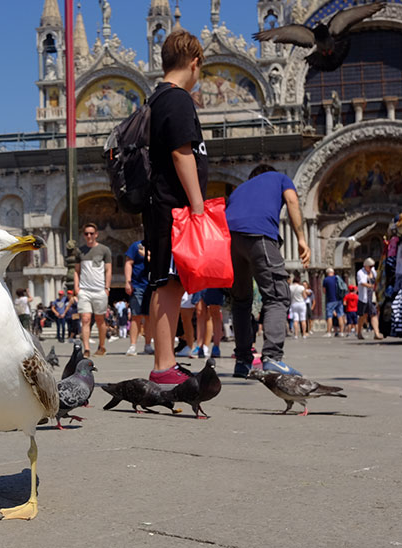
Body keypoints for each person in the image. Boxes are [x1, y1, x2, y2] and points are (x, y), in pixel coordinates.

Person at [143, 29, 208, 385]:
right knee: (169, 285)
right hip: (175, 209)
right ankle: (164, 366)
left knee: (163, 284)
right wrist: (197, 206)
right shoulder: (178, 99)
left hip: (160, 207)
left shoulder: (155, 98)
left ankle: (163, 363)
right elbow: (182, 153)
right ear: (195, 63)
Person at [226, 164, 310, 378]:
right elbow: (292, 201)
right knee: (277, 296)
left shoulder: (240, 189)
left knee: (241, 300)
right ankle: (272, 358)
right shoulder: (280, 177)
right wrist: (301, 239)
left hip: (230, 239)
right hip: (259, 235)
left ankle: (243, 361)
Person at [74, 222, 112, 357]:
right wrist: (76, 287)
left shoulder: (104, 250)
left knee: (100, 319)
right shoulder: (79, 251)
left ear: (96, 234)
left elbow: (108, 270)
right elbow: (76, 270)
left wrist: (107, 287)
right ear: (83, 235)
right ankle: (87, 349)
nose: (89, 236)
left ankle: (102, 346)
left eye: (91, 233)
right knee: (85, 318)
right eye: (86, 234)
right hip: (84, 290)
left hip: (99, 289)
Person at [123, 239, 153, 356]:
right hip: (137, 285)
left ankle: (148, 345)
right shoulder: (136, 245)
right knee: (136, 316)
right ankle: (133, 345)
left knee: (149, 317)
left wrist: (146, 255)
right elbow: (128, 263)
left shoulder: (157, 244)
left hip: (152, 285)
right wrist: (127, 281)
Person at [355, 258, 384, 340]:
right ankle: (359, 332)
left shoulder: (373, 272)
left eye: (372, 266)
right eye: (370, 267)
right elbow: (361, 282)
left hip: (372, 297)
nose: (371, 268)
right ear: (365, 266)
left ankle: (377, 333)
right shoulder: (360, 272)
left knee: (374, 314)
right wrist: (371, 286)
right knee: (363, 315)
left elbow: (377, 279)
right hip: (363, 297)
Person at [194, 289, 224, 359]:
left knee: (215, 310)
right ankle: (199, 346)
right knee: (199, 311)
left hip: (214, 280)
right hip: (200, 279)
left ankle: (216, 346)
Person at [322, 268, 346, 337]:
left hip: (331, 300)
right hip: (339, 299)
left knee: (329, 316)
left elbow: (324, 291)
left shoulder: (326, 279)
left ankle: (329, 332)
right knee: (340, 315)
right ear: (333, 272)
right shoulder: (338, 278)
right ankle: (341, 332)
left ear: (327, 273)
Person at [289, 273, 310, 339]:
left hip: (294, 304)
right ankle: (303, 334)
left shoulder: (290, 287)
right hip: (301, 304)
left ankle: (296, 335)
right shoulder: (301, 287)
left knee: (296, 320)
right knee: (303, 320)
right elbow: (305, 296)